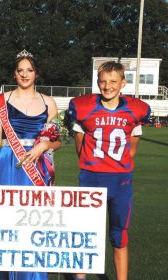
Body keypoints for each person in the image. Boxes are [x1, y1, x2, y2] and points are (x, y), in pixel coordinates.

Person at [65, 61, 151, 280]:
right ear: (97, 82)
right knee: (83, 234)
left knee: (120, 235)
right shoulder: (84, 107)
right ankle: (80, 278)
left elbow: (131, 150)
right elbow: (80, 146)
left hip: (120, 181)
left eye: (113, 81)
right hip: (91, 178)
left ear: (123, 82)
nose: (107, 86)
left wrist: (114, 166)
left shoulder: (135, 110)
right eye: (103, 81)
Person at [0, 49, 61, 280]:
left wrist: (44, 147)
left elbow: (58, 142)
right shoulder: (1, 101)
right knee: (6, 224)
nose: (25, 74)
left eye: (29, 70)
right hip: (8, 162)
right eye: (20, 70)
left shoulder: (49, 102)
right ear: (14, 73)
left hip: (37, 166)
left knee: (34, 224)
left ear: (36, 73)